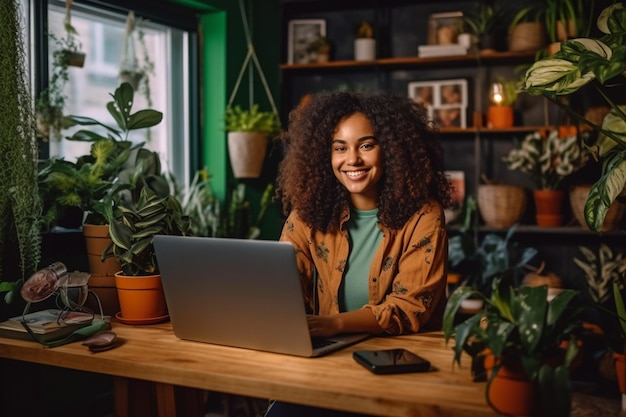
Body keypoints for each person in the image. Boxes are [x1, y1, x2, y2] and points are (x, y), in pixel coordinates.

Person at [266, 91, 452, 417]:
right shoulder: (307, 215)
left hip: (402, 368)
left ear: (392, 149)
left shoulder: (424, 216)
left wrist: (332, 324)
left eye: (366, 145)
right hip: (329, 363)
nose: (352, 159)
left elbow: (407, 309)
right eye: (340, 148)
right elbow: (282, 280)